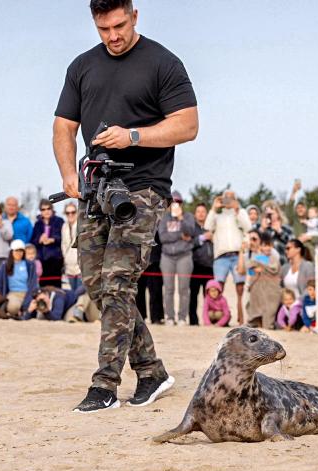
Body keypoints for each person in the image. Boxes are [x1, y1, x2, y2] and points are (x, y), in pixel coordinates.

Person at [53, 0, 198, 412]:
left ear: (135, 14)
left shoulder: (163, 63)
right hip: (94, 189)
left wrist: (132, 137)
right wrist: (67, 172)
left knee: (118, 284)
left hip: (142, 189)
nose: (113, 36)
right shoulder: (82, 66)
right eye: (103, 29)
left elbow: (188, 125)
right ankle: (151, 371)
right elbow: (63, 127)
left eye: (119, 25)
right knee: (98, 286)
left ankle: (105, 385)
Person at [206, 190, 251, 324]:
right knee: (218, 287)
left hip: (238, 255)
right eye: (226, 198)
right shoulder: (217, 216)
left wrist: (238, 209)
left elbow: (248, 227)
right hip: (221, 256)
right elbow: (207, 226)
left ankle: (241, 317)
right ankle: (220, 318)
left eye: (231, 198)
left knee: (240, 288)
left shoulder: (240, 213)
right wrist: (214, 207)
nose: (228, 200)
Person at [158, 191, 196, 325]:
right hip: (167, 256)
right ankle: (169, 316)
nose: (176, 204)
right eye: (173, 202)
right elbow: (163, 237)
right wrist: (180, 236)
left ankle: (182, 317)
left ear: (182, 203)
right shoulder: (164, 218)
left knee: (184, 288)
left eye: (178, 202)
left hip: (184, 256)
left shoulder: (188, 216)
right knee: (168, 288)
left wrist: (181, 219)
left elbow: (191, 232)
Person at [0, 240, 39, 319]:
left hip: (28, 293)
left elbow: (34, 282)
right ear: (11, 252)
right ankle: (19, 311)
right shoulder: (5, 265)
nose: (19, 253)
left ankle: (23, 311)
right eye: (16, 251)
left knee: (35, 307)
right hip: (13, 293)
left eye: (21, 251)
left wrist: (32, 295)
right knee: (12, 308)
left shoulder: (30, 265)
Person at [239, 230, 282, 329]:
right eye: (264, 245)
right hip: (255, 287)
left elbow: (275, 269)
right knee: (254, 308)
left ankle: (268, 324)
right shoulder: (254, 257)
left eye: (269, 245)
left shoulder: (273, 256)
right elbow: (247, 271)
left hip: (270, 288)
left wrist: (262, 268)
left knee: (269, 308)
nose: (267, 248)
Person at [188, 202, 214, 325]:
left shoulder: (212, 227)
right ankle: (193, 320)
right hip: (195, 265)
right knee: (193, 294)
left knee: (209, 296)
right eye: (198, 211)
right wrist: (202, 238)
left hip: (210, 266)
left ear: (207, 214)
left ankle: (209, 320)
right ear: (195, 214)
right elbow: (188, 244)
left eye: (203, 212)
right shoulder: (191, 227)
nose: (201, 214)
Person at [30, 200, 65, 286]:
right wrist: (40, 240)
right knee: (43, 286)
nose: (46, 211)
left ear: (52, 209)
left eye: (48, 208)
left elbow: (64, 238)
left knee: (56, 285)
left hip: (56, 259)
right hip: (42, 260)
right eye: (43, 209)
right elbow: (33, 242)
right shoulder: (37, 224)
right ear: (40, 211)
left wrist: (53, 240)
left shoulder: (59, 221)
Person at [136, 231, 165, 324]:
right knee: (139, 291)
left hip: (154, 261)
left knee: (156, 290)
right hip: (138, 261)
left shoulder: (156, 222)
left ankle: (156, 317)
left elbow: (159, 242)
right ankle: (140, 317)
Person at [61, 201, 83, 292]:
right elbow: (63, 245)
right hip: (69, 268)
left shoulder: (81, 225)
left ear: (77, 212)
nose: (70, 215)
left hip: (80, 268)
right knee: (71, 296)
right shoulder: (64, 226)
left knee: (80, 295)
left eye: (73, 212)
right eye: (67, 213)